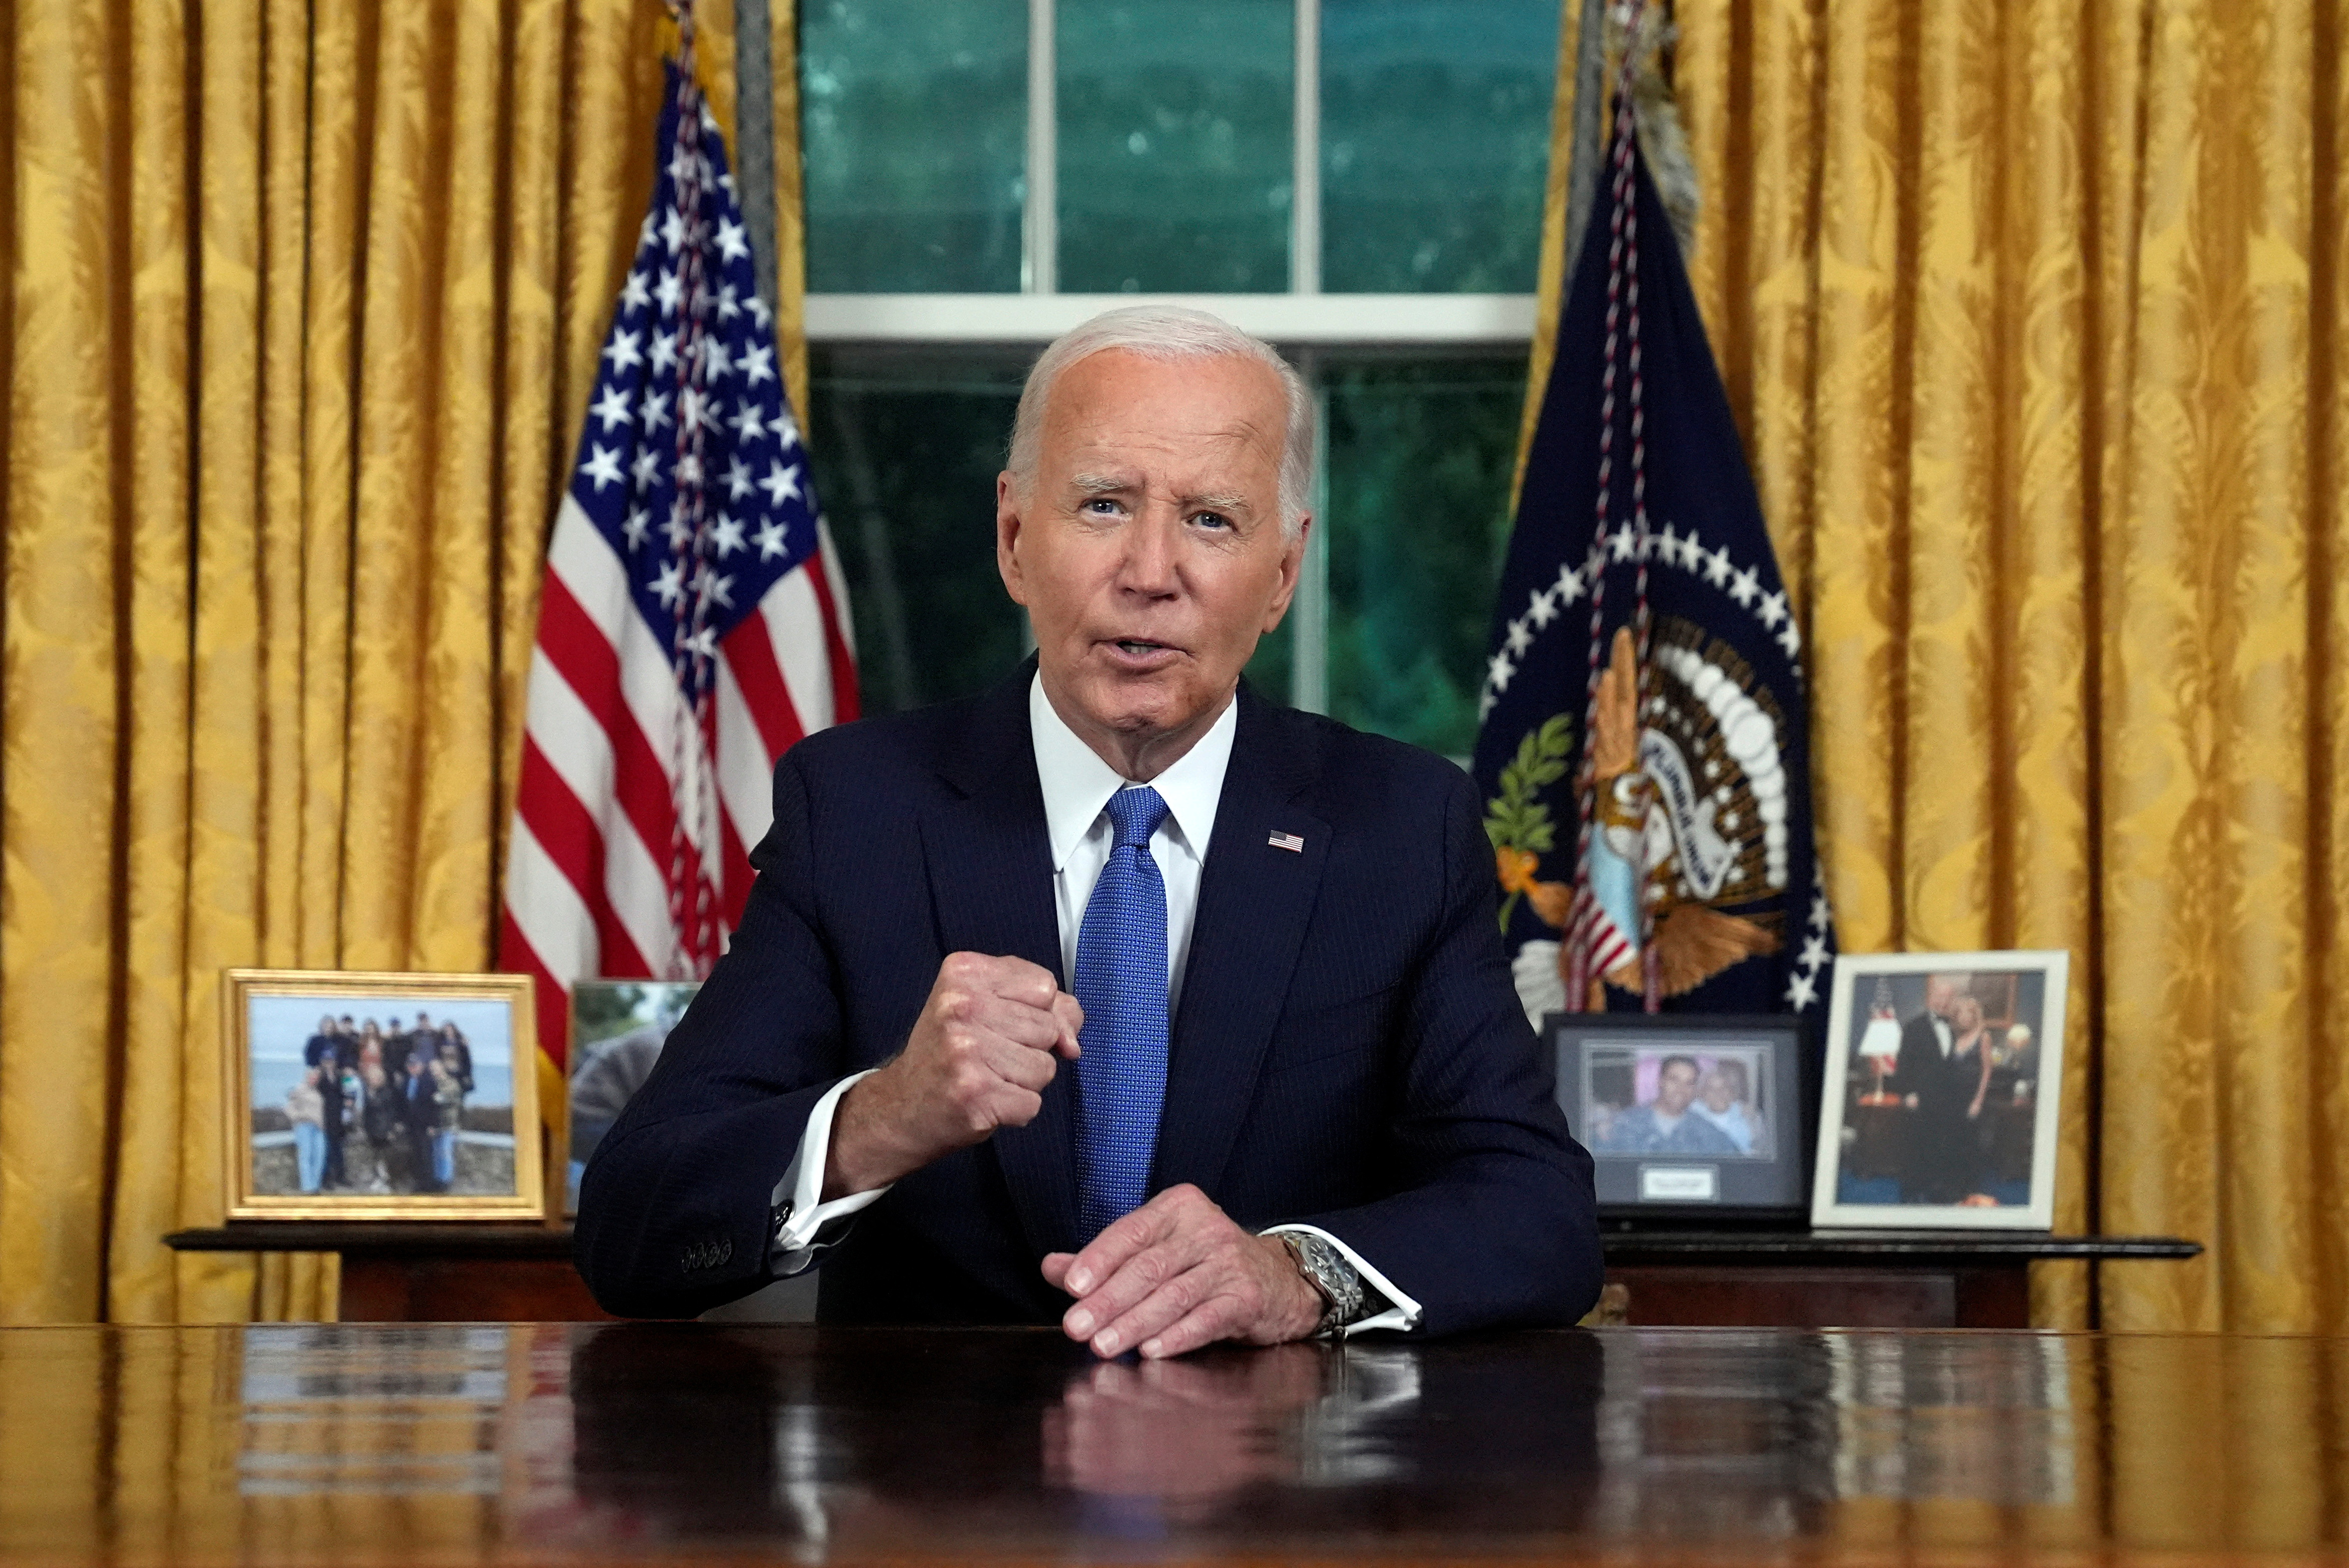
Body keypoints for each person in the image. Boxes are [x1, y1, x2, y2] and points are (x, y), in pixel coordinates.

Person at [576, 305, 1602, 1351]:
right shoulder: (857, 811)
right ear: (1015, 539)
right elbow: (630, 1229)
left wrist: (1295, 1273)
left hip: (1276, 1490)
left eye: (1210, 519)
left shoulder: (1399, 826)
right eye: (1104, 504)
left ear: (1282, 573)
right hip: (934, 1489)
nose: (1150, 571)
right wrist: (884, 1117)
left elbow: (1538, 1209)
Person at [1894, 974, 1970, 1203]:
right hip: (1922, 1101)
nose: (1943, 1002)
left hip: (1950, 1101)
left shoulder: (1957, 1027)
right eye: (1939, 997)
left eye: (1948, 998)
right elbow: (1903, 1066)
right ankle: (1911, 1193)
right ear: (1930, 998)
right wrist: (1907, 1094)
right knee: (1918, 1148)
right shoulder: (1913, 1027)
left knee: (1946, 1148)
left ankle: (1942, 1192)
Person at [1595, 1056, 1740, 1156]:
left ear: (1696, 1089)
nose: (1681, 1089)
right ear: (1661, 1081)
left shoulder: (1708, 1133)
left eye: (1689, 1083)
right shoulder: (1624, 1123)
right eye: (1674, 1080)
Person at [1691, 1060, 1760, 1155]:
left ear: (1733, 1092)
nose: (1718, 1093)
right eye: (1711, 1089)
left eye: (1724, 1087)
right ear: (1703, 1094)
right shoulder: (1692, 1115)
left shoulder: (1749, 1117)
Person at [429, 1040, 467, 1190]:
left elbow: (448, 1100)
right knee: (436, 1154)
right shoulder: (433, 1084)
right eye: (432, 1070)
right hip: (436, 1124)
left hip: (449, 1124)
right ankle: (438, 1181)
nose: (434, 1072)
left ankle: (446, 1183)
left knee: (446, 1154)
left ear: (442, 1069)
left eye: (436, 1069)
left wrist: (438, 1098)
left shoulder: (452, 1084)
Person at [286, 1068, 327, 1194]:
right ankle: (308, 1187)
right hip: (304, 1126)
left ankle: (315, 1185)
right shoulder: (299, 1089)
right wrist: (298, 1117)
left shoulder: (318, 1092)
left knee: (320, 1155)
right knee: (306, 1156)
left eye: (316, 1077)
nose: (314, 1079)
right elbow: (289, 1107)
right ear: (307, 1077)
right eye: (312, 1076)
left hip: (318, 1127)